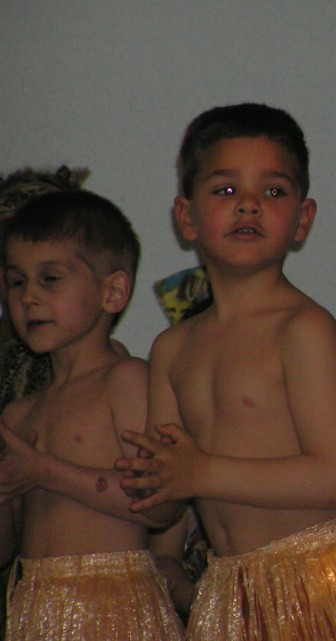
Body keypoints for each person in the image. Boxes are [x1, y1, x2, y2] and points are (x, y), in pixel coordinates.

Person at [114, 103, 336, 641]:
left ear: (302, 220)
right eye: (226, 190)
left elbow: (332, 478)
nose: (250, 205)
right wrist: (154, 487)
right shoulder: (172, 348)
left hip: (322, 587)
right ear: (186, 217)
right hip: (230, 596)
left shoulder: (304, 329)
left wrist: (199, 472)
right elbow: (168, 499)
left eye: (274, 191)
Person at [0, 190, 184, 640]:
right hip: (34, 612)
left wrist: (44, 471)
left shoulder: (126, 380)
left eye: (50, 278)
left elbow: (163, 504)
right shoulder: (19, 413)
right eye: (16, 282)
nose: (28, 297)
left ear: (112, 292)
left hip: (116, 607)